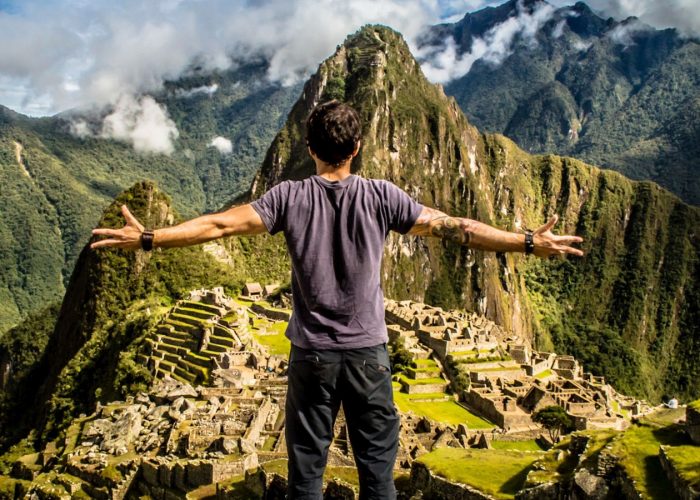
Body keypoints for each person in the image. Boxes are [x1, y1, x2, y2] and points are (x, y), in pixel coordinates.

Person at [91, 100, 584, 499]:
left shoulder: (286, 198)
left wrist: (151, 238)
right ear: (358, 147)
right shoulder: (380, 196)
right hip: (369, 357)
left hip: (312, 358)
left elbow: (218, 224)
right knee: (378, 476)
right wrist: (526, 242)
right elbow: (456, 228)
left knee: (306, 475)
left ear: (308, 147)